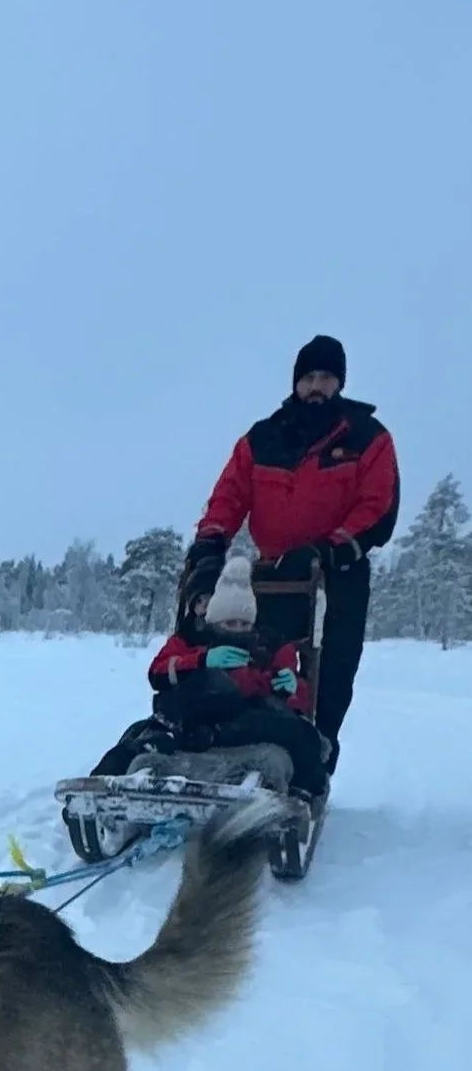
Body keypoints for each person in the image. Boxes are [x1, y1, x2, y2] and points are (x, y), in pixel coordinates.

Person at [173, 336, 398, 773]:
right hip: (274, 574)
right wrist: (209, 544)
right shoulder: (263, 439)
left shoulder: (367, 437)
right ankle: (241, 744)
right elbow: (228, 497)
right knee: (262, 660)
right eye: (309, 377)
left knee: (328, 670)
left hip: (337, 573)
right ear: (296, 382)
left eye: (327, 378)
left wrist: (325, 550)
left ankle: (315, 759)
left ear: (340, 382)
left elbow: (378, 509)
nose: (317, 387)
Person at [96, 554, 330, 799]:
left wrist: (290, 688)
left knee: (292, 730)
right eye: (199, 601)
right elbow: (159, 674)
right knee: (143, 730)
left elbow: (288, 694)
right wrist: (199, 662)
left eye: (243, 623)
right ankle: (101, 783)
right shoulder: (189, 639)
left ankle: (302, 793)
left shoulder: (266, 644)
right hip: (191, 714)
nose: (203, 606)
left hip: (247, 719)